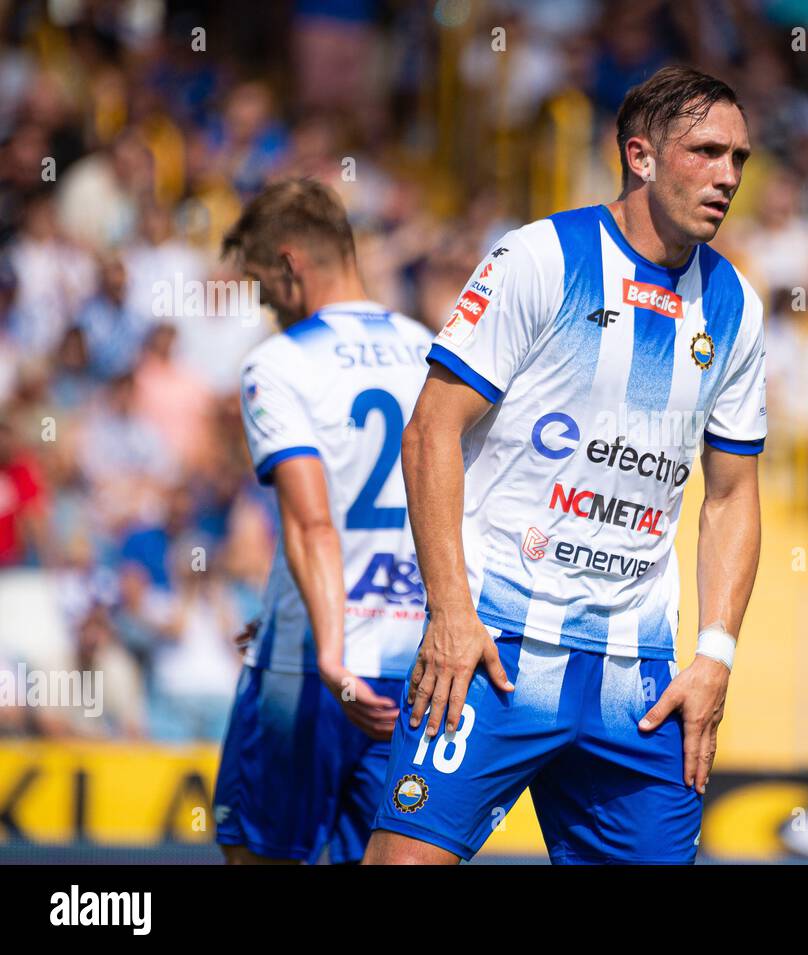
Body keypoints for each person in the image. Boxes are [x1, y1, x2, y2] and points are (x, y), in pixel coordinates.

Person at [365, 66, 766, 866]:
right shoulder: (542, 257)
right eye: (706, 152)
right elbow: (430, 430)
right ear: (640, 156)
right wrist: (450, 611)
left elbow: (732, 495)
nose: (727, 176)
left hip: (636, 680)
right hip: (496, 645)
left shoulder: (735, 307)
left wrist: (715, 653)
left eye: (739, 159)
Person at [213, 179, 431, 863]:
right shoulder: (432, 349)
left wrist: (330, 649)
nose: (266, 305)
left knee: (258, 854)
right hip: (410, 666)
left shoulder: (278, 363)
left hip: (310, 668)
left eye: (261, 285)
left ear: (289, 265)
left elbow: (312, 525)